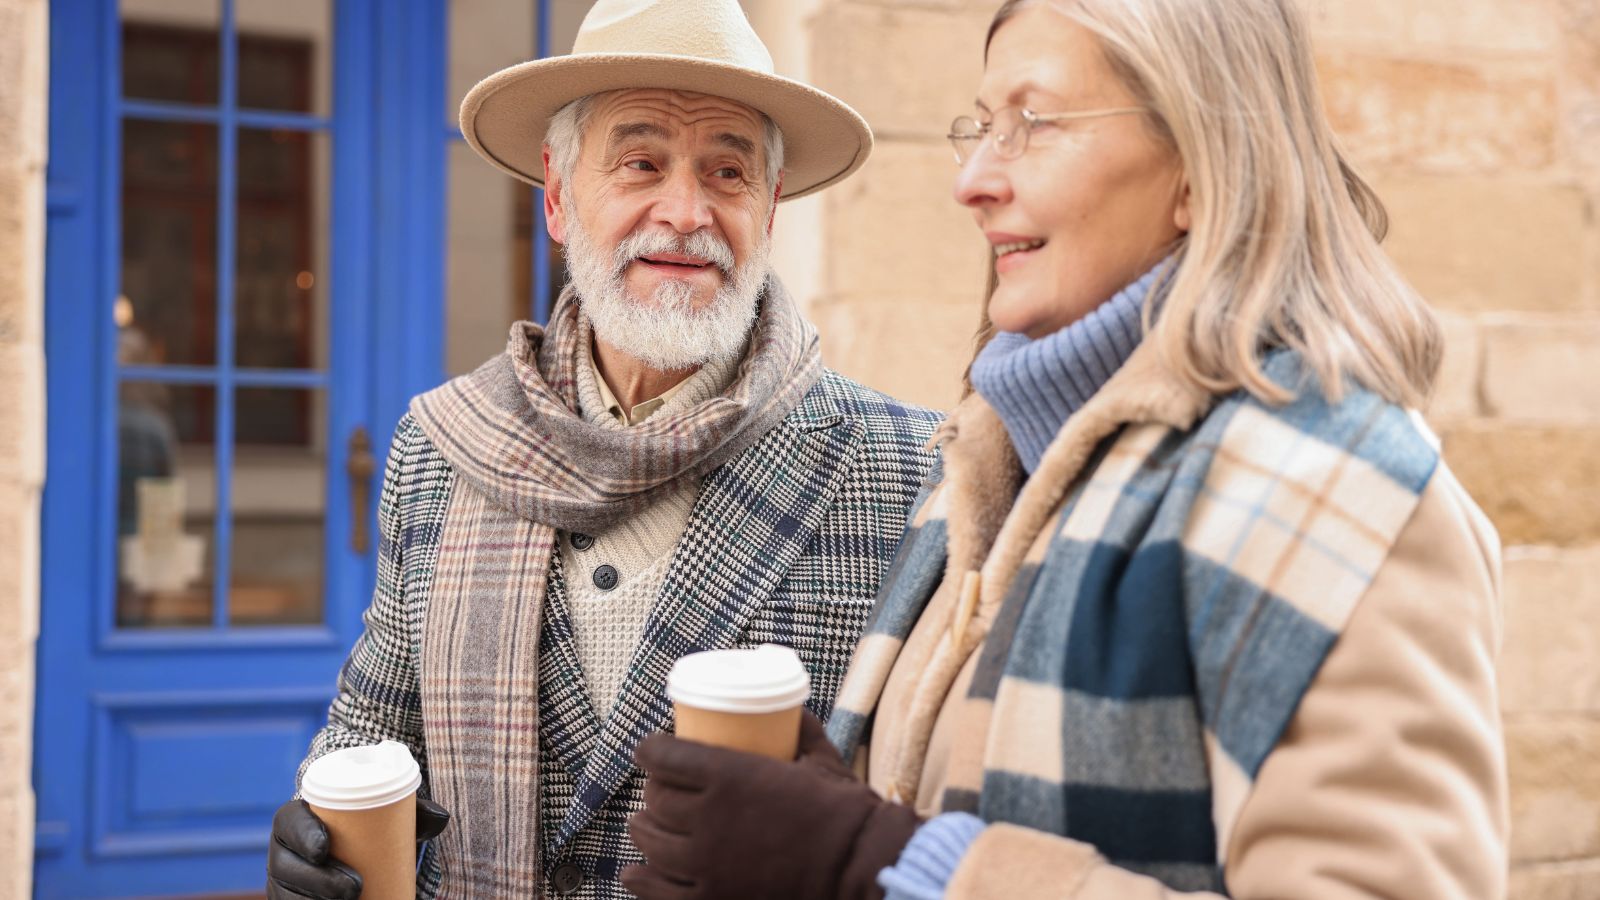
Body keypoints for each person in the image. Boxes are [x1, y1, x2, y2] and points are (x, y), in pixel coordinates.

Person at [624, 0, 1509, 897]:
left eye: (1034, 124)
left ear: (1202, 166)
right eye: (979, 126)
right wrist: (818, 816)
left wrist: (887, 863)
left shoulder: (1342, 494)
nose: (971, 180)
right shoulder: (981, 468)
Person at [265, 0, 941, 896]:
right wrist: (316, 827)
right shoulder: (441, 445)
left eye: (729, 171)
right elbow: (377, 726)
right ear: (556, 197)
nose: (686, 210)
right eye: (641, 162)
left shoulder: (905, 467)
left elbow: (929, 807)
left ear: (770, 208)